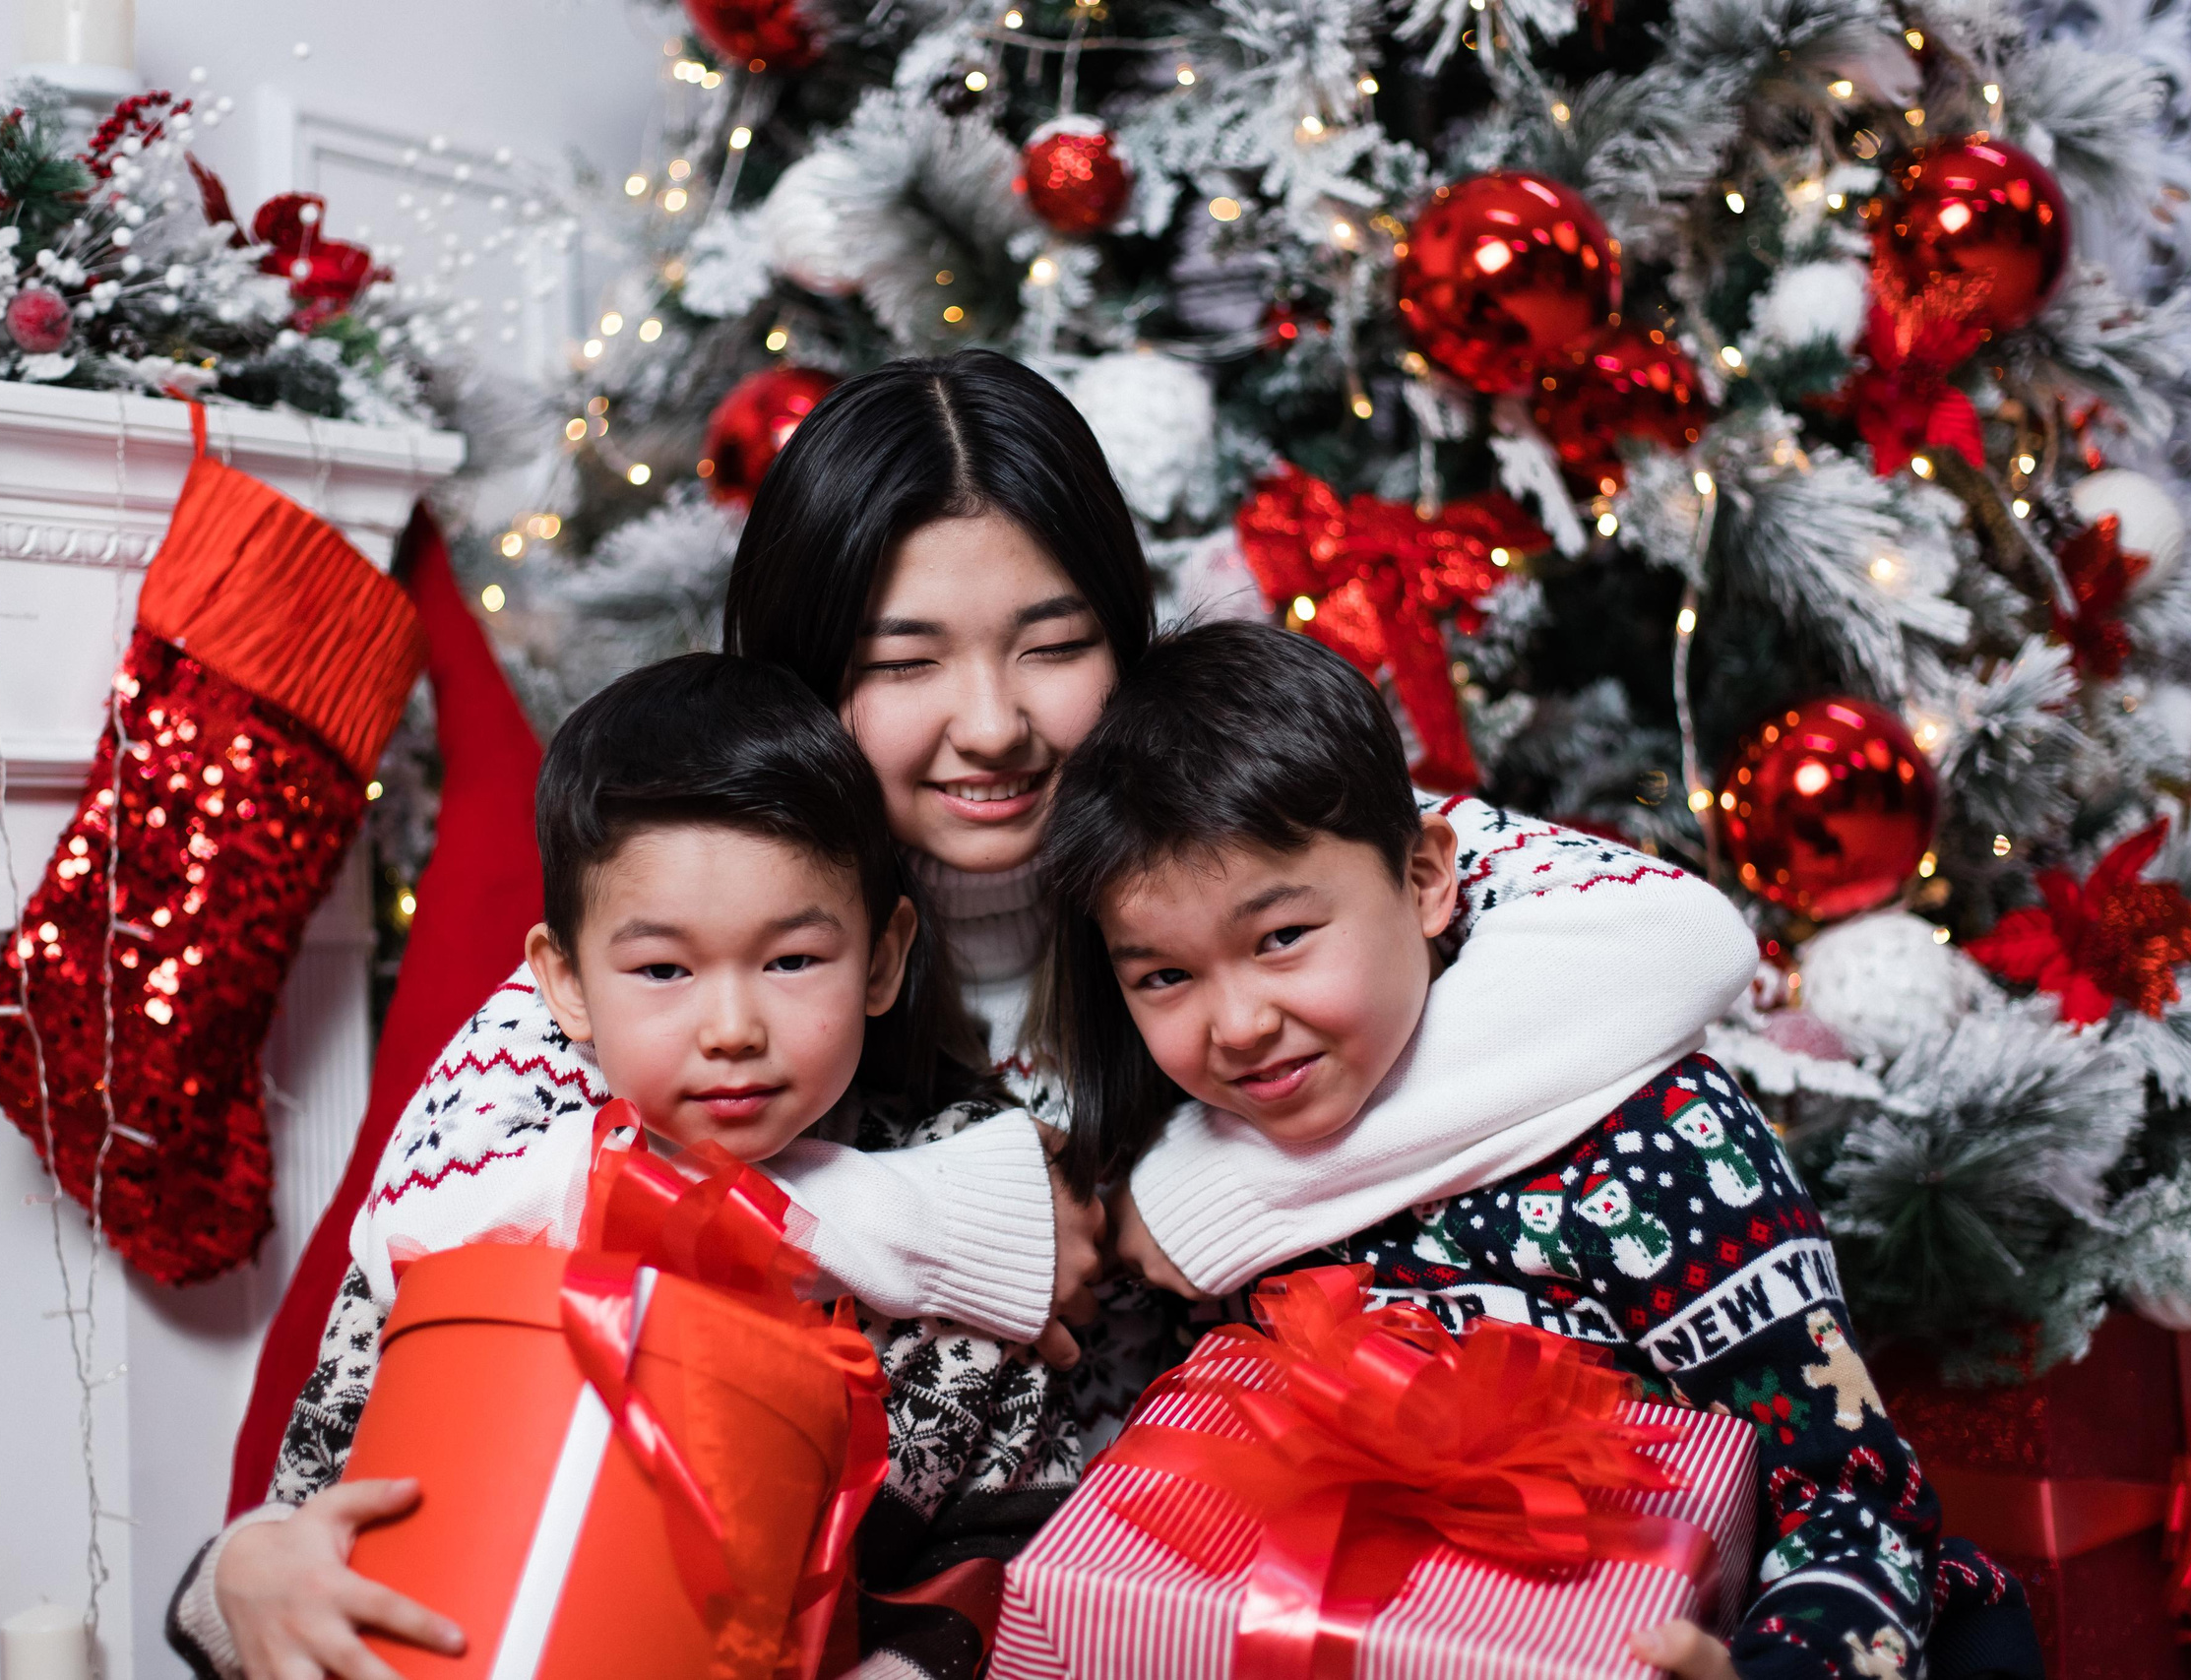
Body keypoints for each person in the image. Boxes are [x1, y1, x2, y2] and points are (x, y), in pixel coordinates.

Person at [181, 348, 1764, 1680]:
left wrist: (1194, 1192)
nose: (993, 723)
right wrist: (939, 1217)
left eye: (1054, 645)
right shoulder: (671, 937)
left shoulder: (1223, 854)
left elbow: (1674, 935)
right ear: (807, 677)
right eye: (905, 662)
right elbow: (441, 1256)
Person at [1043, 619, 2041, 1680]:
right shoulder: (1178, 1144)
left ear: (1426, 880)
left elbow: (1852, 1495)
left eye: (1282, 937)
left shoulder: (1658, 1144)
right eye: (1165, 977)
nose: (1238, 1024)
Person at [169, 655, 1077, 1680]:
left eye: (791, 961)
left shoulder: (965, 1226)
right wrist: (247, 1569)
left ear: (881, 958)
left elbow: (1009, 1564)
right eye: (662, 970)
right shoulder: (477, 1202)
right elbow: (317, 1495)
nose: (731, 1028)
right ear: (564, 981)